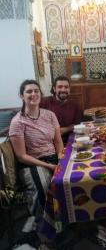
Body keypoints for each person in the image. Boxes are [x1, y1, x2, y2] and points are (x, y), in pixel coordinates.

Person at [9, 79, 64, 229]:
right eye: (29, 91)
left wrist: (60, 158)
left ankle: (66, 217)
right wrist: (48, 166)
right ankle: (45, 229)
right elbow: (22, 156)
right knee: (44, 186)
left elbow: (58, 142)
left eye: (36, 91)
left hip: (53, 157)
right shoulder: (18, 122)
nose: (33, 94)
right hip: (33, 162)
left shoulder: (50, 115)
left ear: (41, 94)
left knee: (71, 178)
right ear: (21, 95)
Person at [40, 75, 82, 144]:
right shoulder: (44, 102)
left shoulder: (75, 105)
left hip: (69, 140)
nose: (63, 90)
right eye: (60, 87)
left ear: (69, 89)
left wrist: (64, 130)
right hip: (48, 142)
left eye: (66, 87)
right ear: (54, 89)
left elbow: (77, 124)